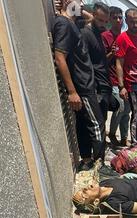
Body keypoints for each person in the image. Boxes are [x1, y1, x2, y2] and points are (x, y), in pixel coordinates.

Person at [53, 0, 105, 172]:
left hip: (85, 85)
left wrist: (74, 8)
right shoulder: (63, 24)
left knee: (84, 125)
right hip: (82, 86)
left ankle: (87, 160)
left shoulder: (74, 23)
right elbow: (60, 57)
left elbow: (91, 18)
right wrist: (72, 91)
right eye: (79, 1)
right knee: (97, 125)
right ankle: (100, 165)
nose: (82, 4)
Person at [81, 3, 120, 147]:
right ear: (93, 16)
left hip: (105, 85)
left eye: (105, 21)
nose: (103, 24)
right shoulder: (86, 33)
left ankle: (100, 156)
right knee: (97, 126)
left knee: (102, 121)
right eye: (100, 20)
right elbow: (86, 63)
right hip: (95, 86)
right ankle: (99, 160)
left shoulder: (98, 33)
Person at [115, 9, 137, 145]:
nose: (136, 25)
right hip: (132, 84)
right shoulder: (122, 38)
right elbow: (119, 63)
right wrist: (121, 86)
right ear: (126, 21)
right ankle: (136, 144)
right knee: (136, 115)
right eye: (132, 22)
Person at [102, 7, 131, 147]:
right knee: (120, 107)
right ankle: (112, 133)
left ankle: (124, 137)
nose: (118, 20)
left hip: (126, 79)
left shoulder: (125, 36)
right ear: (109, 19)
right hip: (112, 79)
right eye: (115, 17)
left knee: (127, 110)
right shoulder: (105, 36)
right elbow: (101, 60)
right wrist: (112, 53)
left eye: (120, 17)